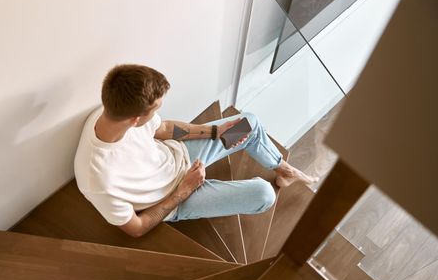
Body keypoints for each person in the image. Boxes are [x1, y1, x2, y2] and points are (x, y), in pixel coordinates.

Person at [74, 64, 318, 238]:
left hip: (180, 155)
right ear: (135, 119)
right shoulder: (96, 177)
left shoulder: (115, 111)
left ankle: (282, 169)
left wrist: (214, 132)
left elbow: (166, 129)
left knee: (247, 123)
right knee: (265, 195)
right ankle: (269, 177)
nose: (160, 110)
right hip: (177, 198)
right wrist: (184, 190)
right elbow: (136, 228)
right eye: (156, 107)